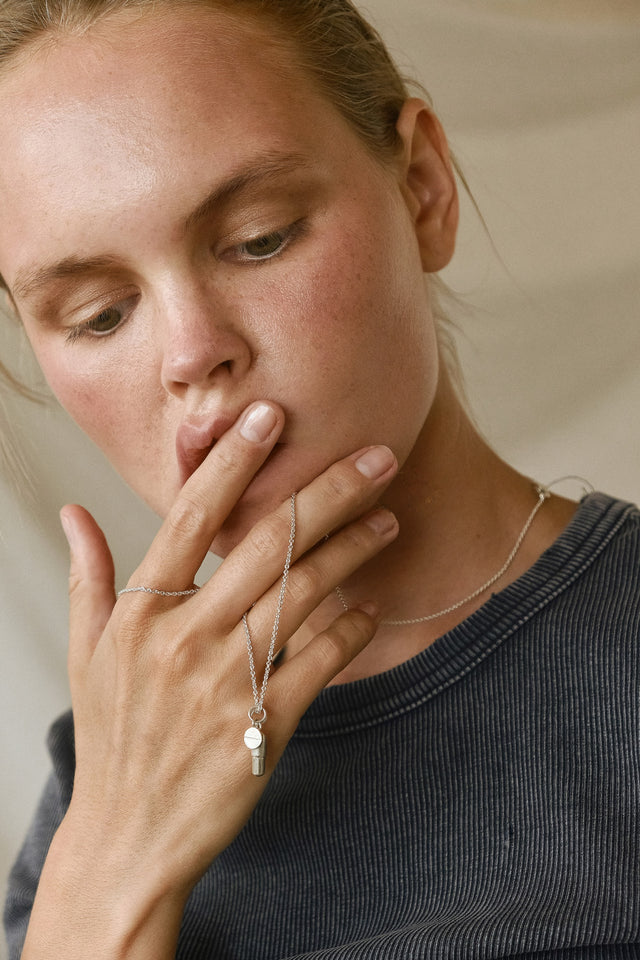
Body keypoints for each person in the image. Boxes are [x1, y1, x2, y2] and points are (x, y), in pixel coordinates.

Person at [1, 1, 638, 957]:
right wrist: (109, 868)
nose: (192, 353)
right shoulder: (109, 765)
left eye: (259, 239)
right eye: (98, 315)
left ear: (422, 189)